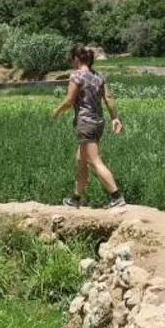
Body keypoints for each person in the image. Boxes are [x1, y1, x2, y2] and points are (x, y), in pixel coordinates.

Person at [50, 45, 125, 208]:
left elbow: (69, 100)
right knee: (81, 161)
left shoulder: (76, 76)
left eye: (71, 59)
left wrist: (57, 111)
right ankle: (75, 199)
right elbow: (109, 98)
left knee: (94, 161)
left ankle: (116, 196)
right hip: (98, 123)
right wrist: (116, 118)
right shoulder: (99, 76)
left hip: (86, 124)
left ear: (76, 59)